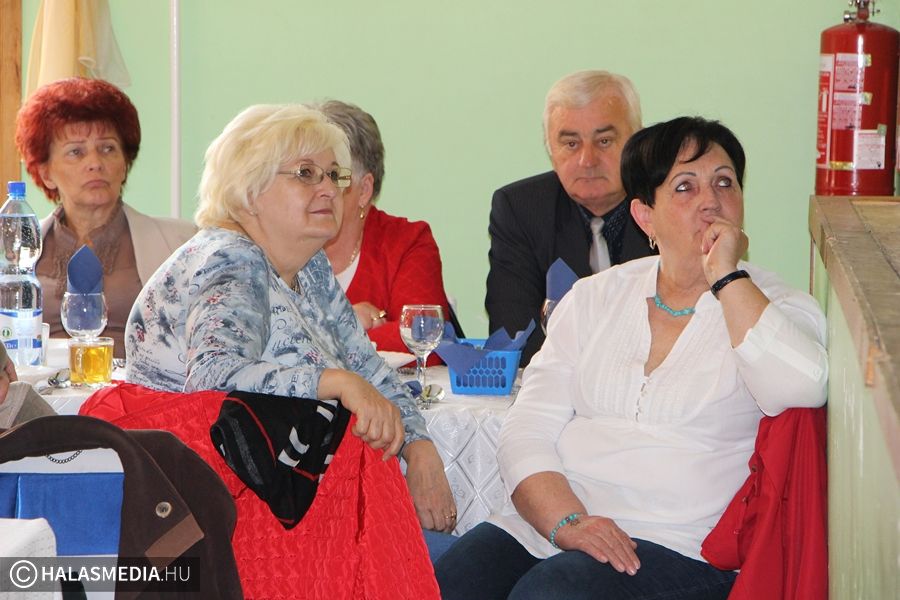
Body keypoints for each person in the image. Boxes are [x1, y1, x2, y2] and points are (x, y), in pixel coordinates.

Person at [436, 116, 828, 600]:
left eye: (725, 182)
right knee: (447, 584)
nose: (710, 201)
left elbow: (804, 387)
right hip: (555, 525)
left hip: (681, 544)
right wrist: (567, 522)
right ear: (645, 217)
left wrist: (726, 277)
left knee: (552, 594)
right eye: (685, 187)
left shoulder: (774, 304)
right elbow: (527, 427)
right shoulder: (594, 297)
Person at [124, 103, 457, 539]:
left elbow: (368, 366)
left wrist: (419, 445)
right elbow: (212, 376)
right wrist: (336, 382)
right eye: (305, 174)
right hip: (208, 513)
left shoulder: (310, 266)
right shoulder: (231, 258)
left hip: (279, 496)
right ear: (249, 190)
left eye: (334, 175)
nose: (329, 189)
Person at [15, 77, 195, 358]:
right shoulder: (15, 249)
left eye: (108, 148)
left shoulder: (183, 243)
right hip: (38, 383)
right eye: (76, 151)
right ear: (46, 173)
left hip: (136, 384)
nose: (95, 163)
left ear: (125, 164)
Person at [485, 70, 656, 365]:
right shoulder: (520, 210)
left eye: (604, 141)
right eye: (571, 144)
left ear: (636, 142)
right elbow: (514, 336)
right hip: (558, 383)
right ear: (550, 150)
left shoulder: (670, 205)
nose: (587, 160)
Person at [316, 99, 455, 357]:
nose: (318, 190)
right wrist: (344, 326)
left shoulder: (406, 242)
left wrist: (327, 337)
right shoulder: (281, 244)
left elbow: (423, 336)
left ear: (364, 190)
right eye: (307, 174)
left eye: (334, 176)